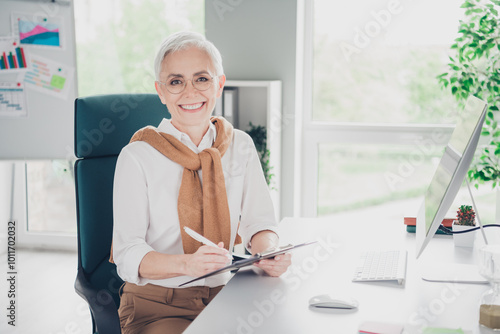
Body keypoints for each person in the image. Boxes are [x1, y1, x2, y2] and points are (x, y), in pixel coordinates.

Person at [112, 31, 291, 334]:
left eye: (202, 79)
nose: (190, 92)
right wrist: (187, 265)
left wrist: (268, 252)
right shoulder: (136, 156)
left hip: (230, 294)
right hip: (158, 304)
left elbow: (259, 223)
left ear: (219, 84)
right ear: (161, 91)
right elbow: (127, 253)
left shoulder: (240, 145)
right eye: (176, 81)